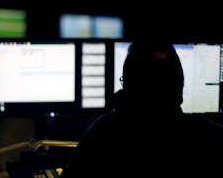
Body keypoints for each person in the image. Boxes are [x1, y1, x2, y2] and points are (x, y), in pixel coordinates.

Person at [60, 36, 223, 177]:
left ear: (128, 89)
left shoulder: (103, 133)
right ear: (180, 85)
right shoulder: (213, 136)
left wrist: (120, 115)